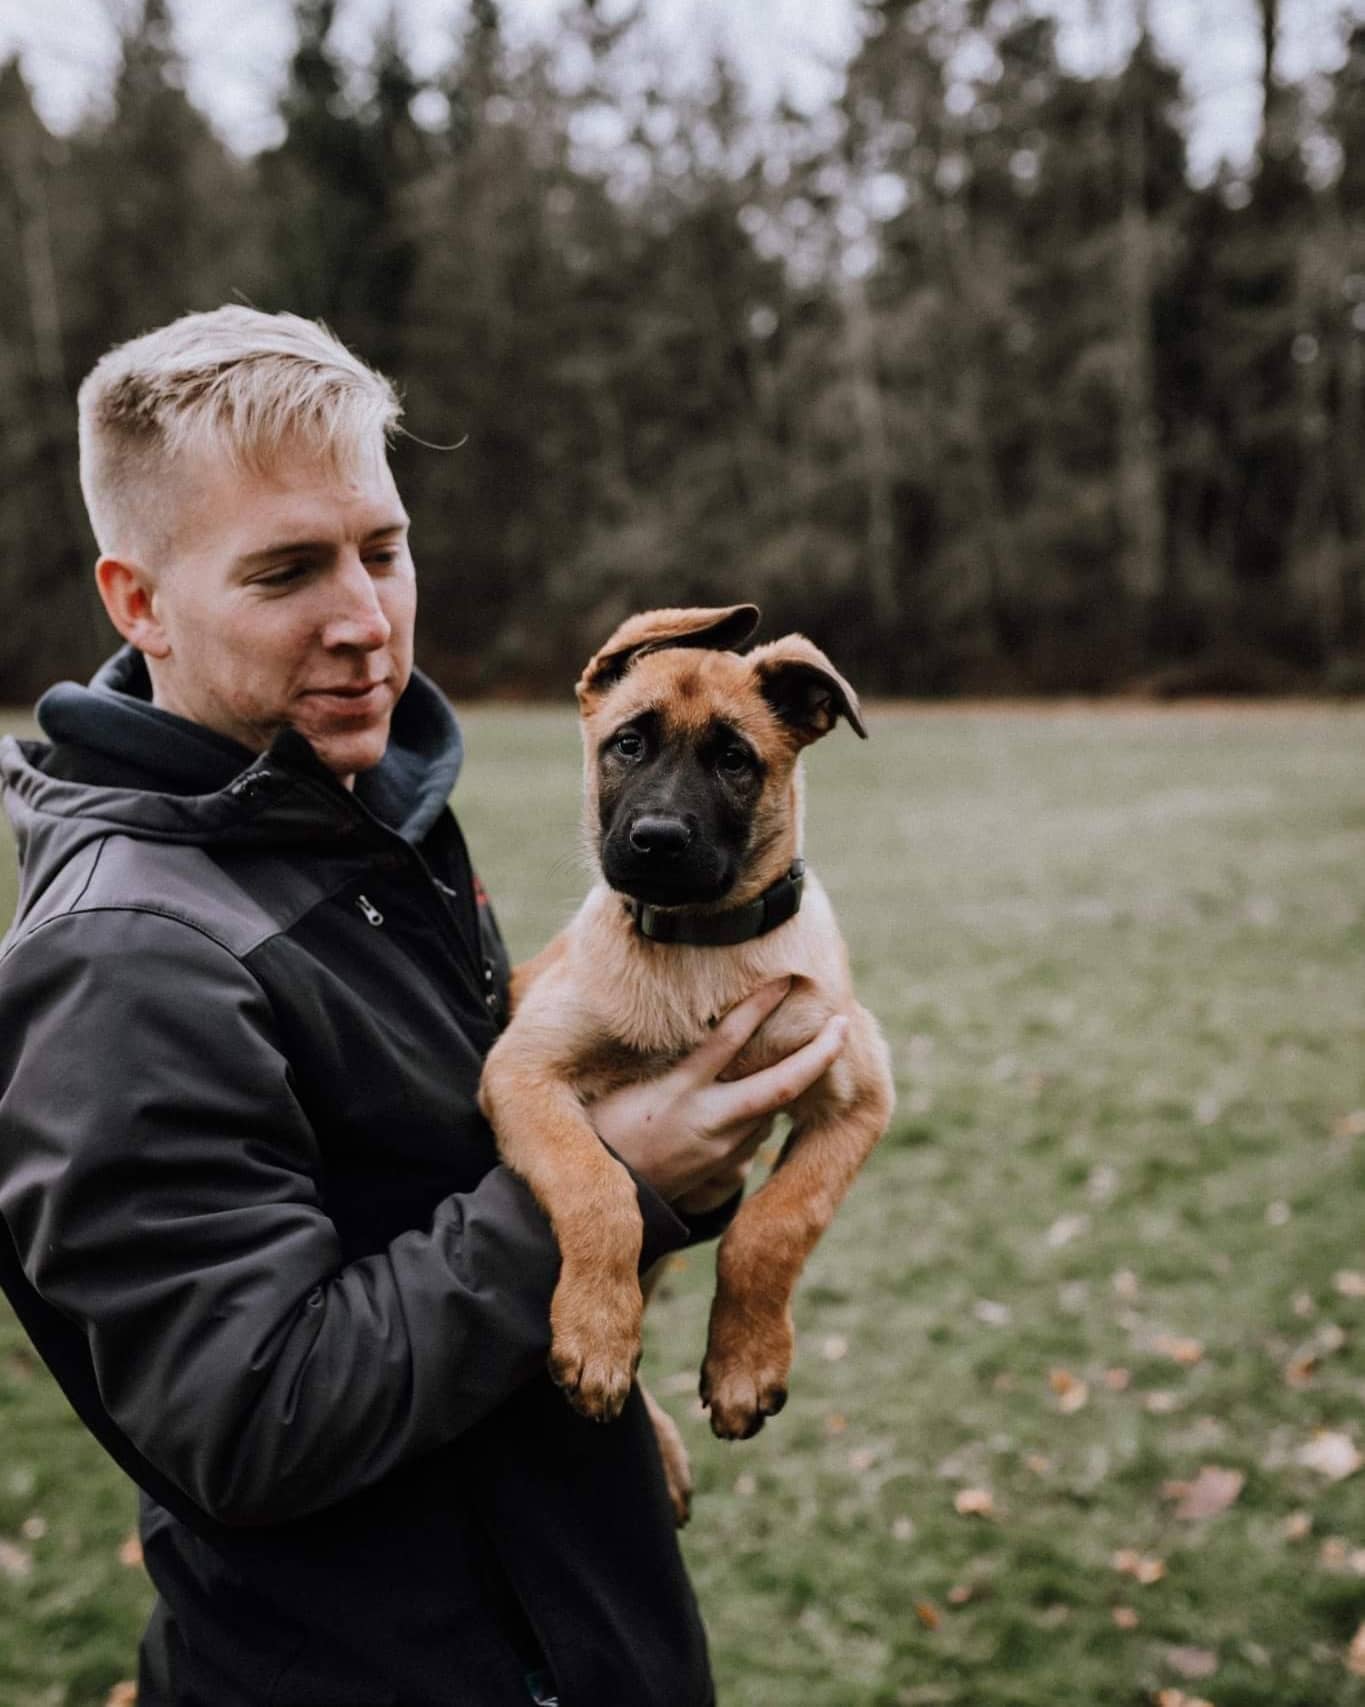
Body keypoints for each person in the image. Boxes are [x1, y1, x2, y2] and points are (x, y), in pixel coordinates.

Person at [0, 308, 848, 1707]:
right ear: (138, 602)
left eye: (382, 551)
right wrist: (603, 1204)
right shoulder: (128, 958)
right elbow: (247, 1419)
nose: (365, 620)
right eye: (285, 572)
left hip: (563, 1615)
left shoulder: (353, 815)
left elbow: (424, 1176)